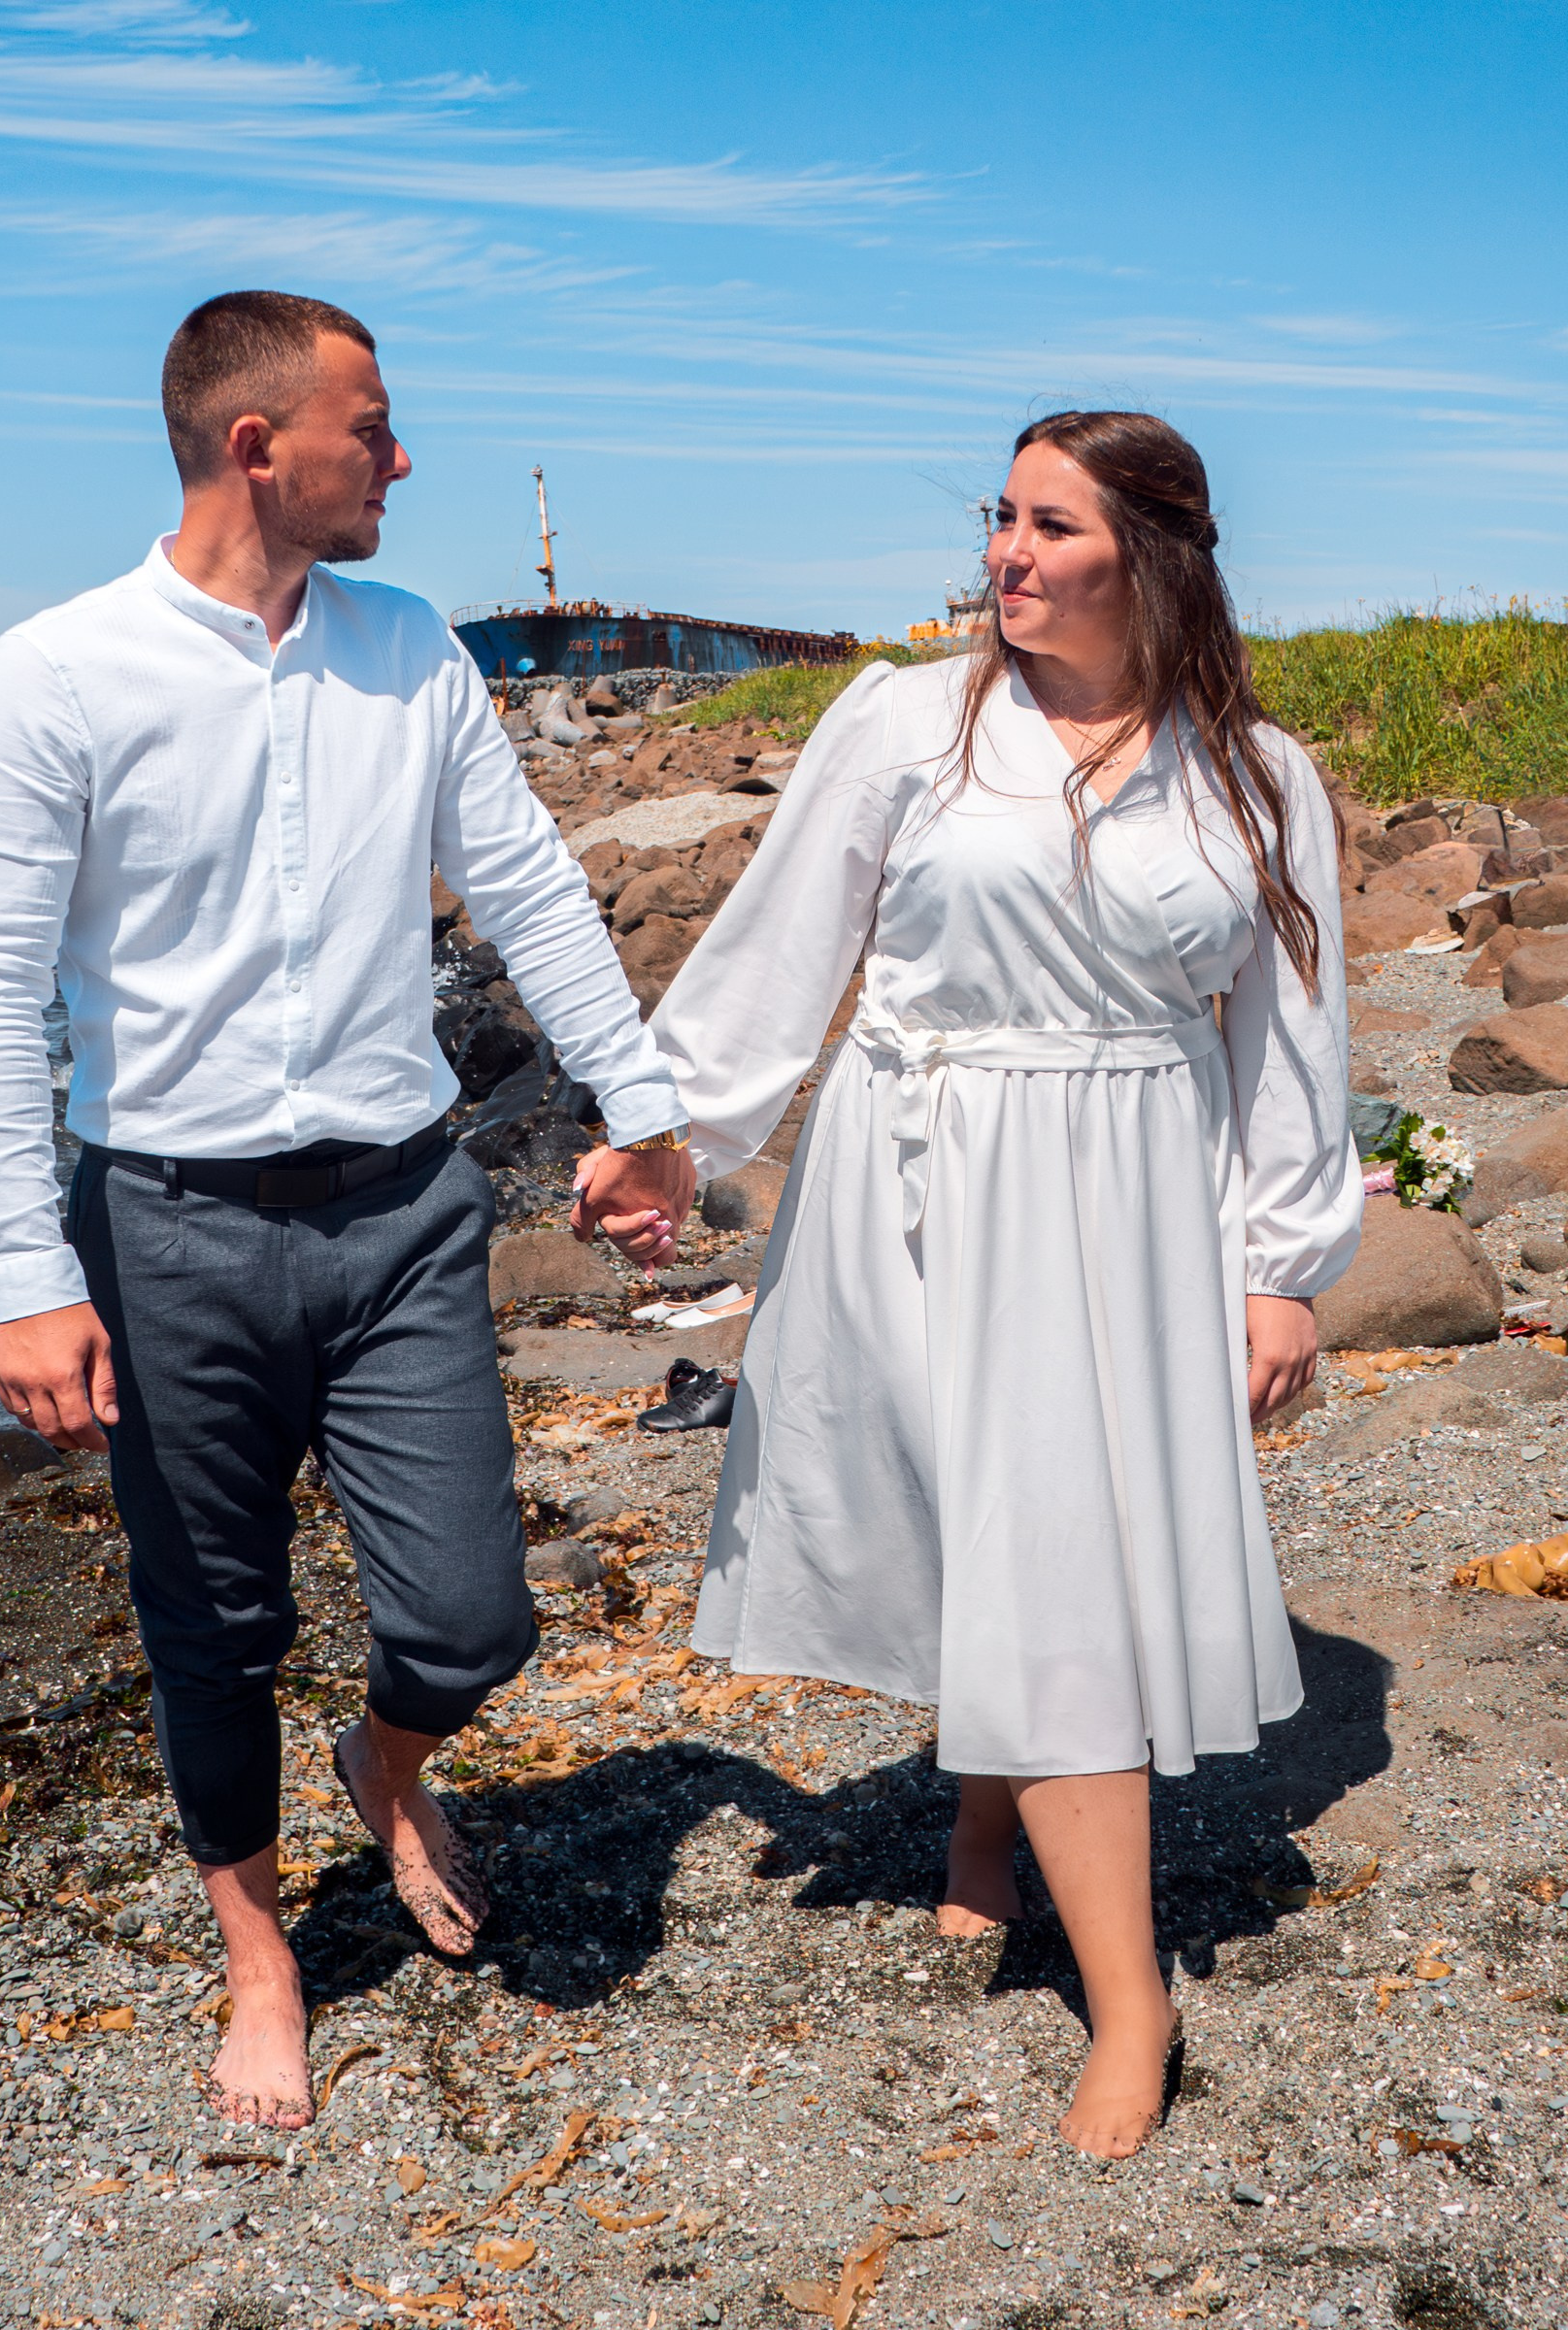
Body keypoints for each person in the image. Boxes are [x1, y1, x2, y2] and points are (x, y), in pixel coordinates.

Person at [0, 290, 695, 2129]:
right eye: (374, 425)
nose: (402, 458)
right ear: (256, 445)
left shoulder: (410, 647)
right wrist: (28, 1272)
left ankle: (386, 1758)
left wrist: (644, 1104)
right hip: (164, 1231)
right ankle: (263, 1958)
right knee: (213, 1626)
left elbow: (528, 885)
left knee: (472, 1620)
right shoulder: (57, 672)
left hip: (400, 1212)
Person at [649, 410, 1363, 2158]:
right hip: (916, 1169)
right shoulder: (907, 719)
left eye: (1051, 526)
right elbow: (780, 942)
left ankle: (1121, 1992)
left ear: (1151, 555)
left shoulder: (1257, 774)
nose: (1005, 554)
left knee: (1058, 1554)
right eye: (1002, 516)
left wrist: (1283, 1268)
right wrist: (673, 1136)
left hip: (1131, 1187)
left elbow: (1291, 1037)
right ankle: (1012, 1856)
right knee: (982, 1511)